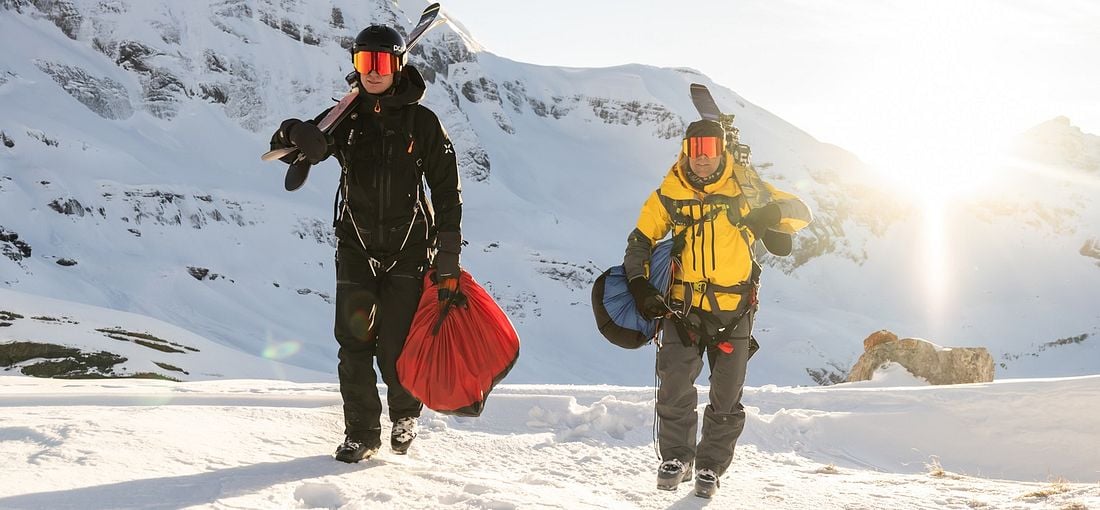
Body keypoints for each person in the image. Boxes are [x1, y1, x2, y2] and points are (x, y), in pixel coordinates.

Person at [269, 25, 463, 463]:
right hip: (356, 246)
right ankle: (361, 434)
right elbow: (288, 147)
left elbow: (447, 189)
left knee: (396, 344)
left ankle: (405, 415)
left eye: (381, 62)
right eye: (363, 62)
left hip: (409, 249)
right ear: (354, 65)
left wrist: (448, 250)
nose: (372, 72)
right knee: (353, 343)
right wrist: (296, 132)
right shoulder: (346, 117)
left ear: (398, 64)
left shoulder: (423, 122)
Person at [622, 119, 811, 497]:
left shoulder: (746, 188)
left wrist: (770, 214)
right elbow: (640, 241)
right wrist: (640, 285)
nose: (702, 157)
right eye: (695, 148)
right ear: (685, 150)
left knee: (726, 396)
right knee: (674, 385)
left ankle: (710, 467)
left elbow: (801, 212)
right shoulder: (669, 193)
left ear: (722, 149)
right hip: (682, 307)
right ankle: (676, 458)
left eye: (710, 147)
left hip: (735, 309)